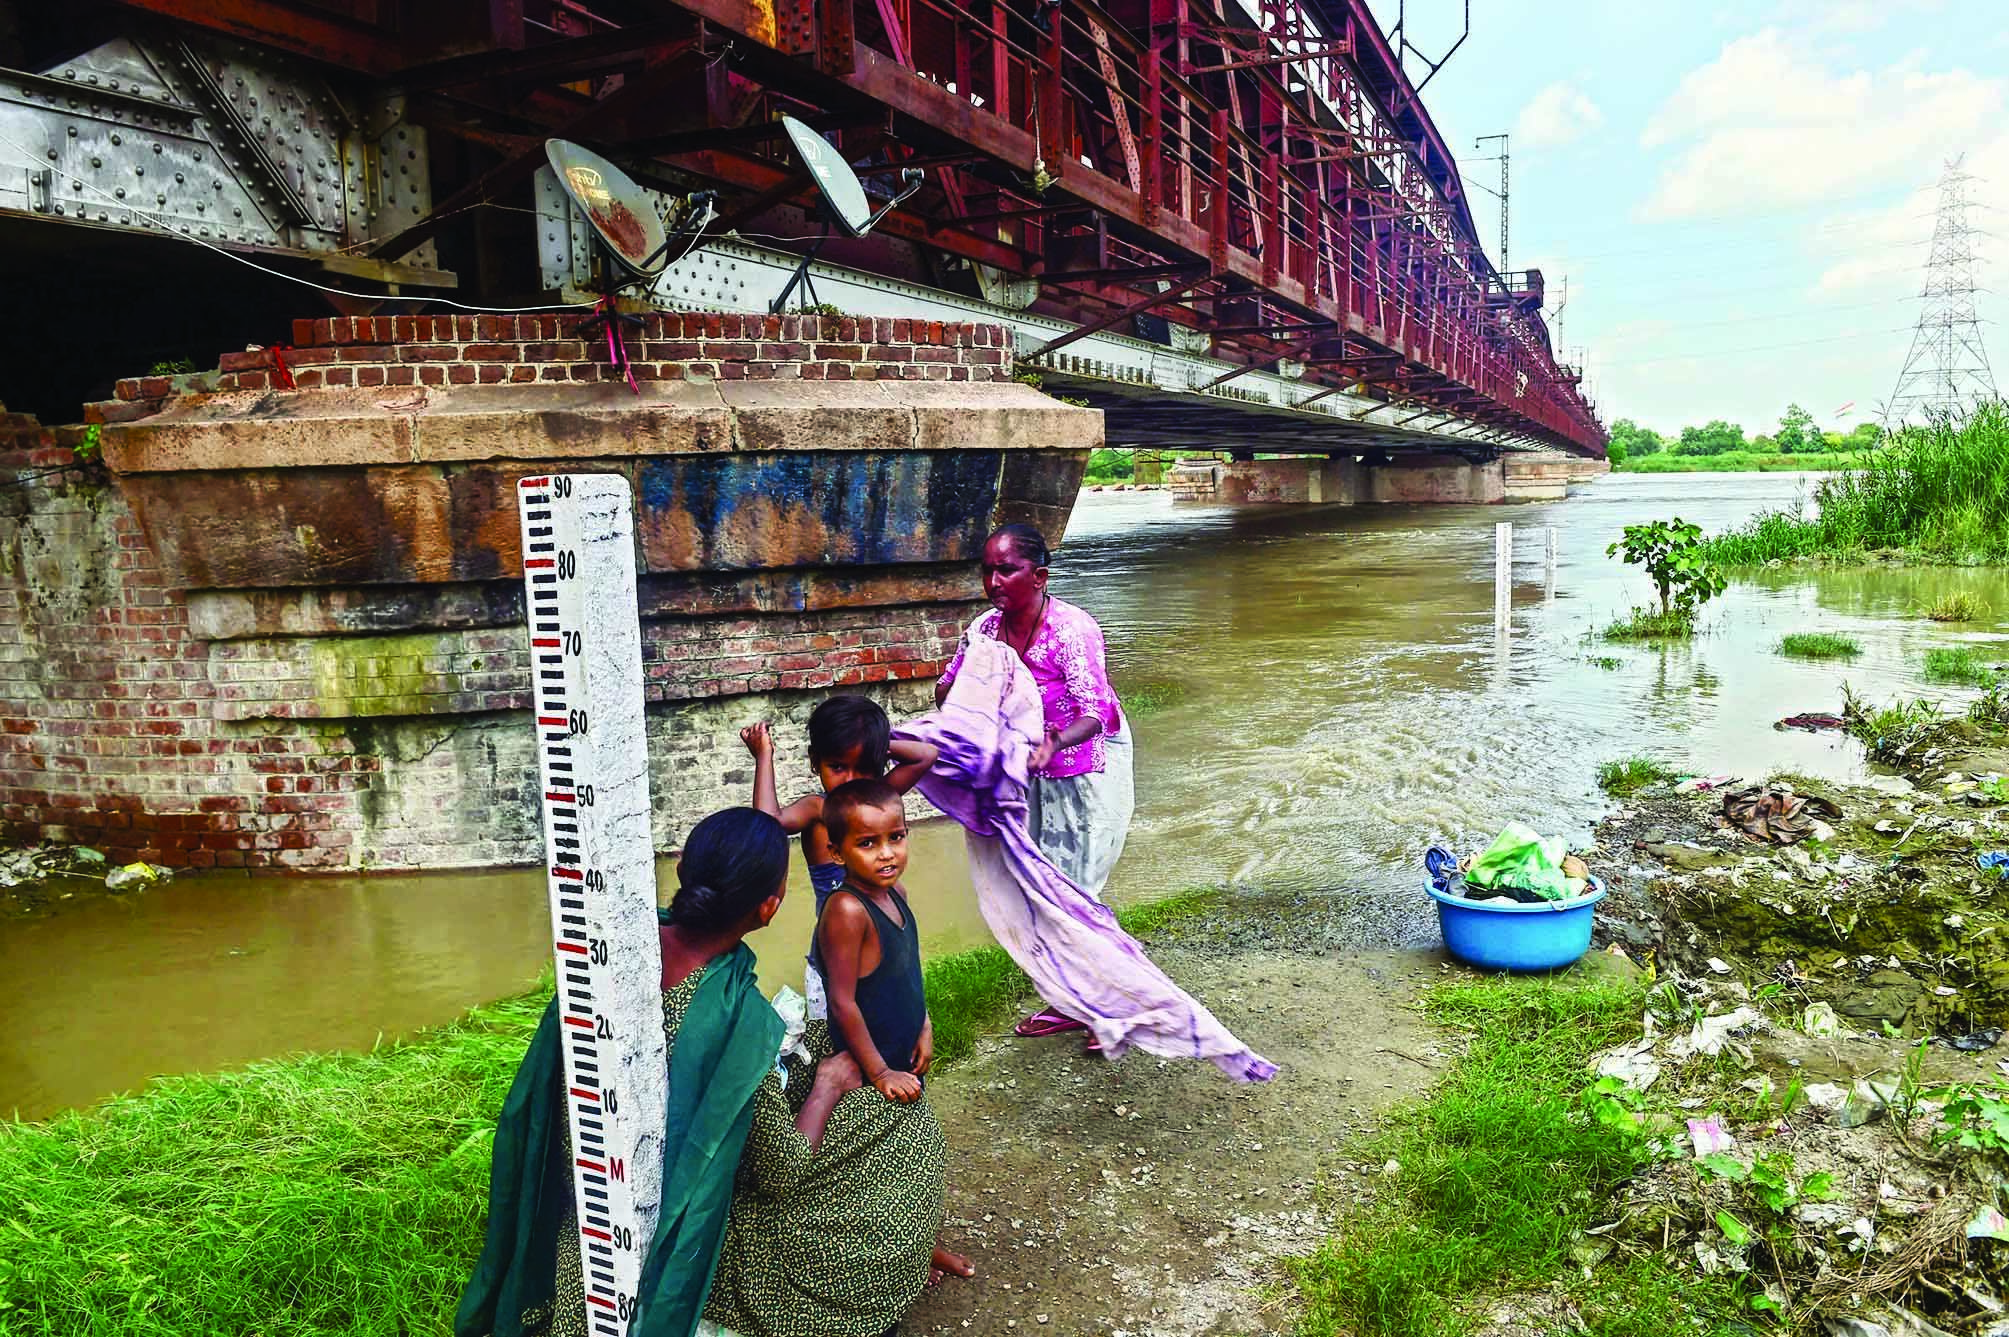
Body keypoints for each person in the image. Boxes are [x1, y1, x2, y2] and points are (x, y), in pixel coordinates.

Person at [455, 807, 960, 1337]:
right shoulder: (733, 1015)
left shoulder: (619, 945)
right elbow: (781, 1173)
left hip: (594, 1170)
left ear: (683, 875)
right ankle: (889, 1266)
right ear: (770, 907)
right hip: (673, 1209)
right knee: (910, 1138)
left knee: (822, 1056)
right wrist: (827, 1088)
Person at [935, 522, 1134, 1041]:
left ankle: (1109, 1004)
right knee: (1040, 880)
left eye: (1007, 569)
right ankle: (1073, 999)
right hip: (1026, 768)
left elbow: (1095, 710)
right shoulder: (984, 630)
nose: (994, 581)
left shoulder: (1072, 630)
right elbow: (950, 687)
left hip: (1083, 763)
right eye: (987, 570)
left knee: (1078, 889)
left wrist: (1054, 743)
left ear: (1039, 575)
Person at [741, 697, 939, 1019]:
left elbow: (925, 756)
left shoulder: (877, 799)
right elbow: (768, 821)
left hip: (885, 949)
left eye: (863, 769)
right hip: (839, 957)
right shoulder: (820, 811)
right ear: (815, 763)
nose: (850, 780)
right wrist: (764, 755)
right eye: (837, 767)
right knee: (842, 1043)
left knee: (893, 1036)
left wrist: (876, 743)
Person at [811, 778, 932, 1104]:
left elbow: (908, 969)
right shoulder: (847, 910)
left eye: (896, 837)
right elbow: (842, 1001)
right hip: (868, 1070)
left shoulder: (897, 893)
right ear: (837, 853)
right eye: (867, 844)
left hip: (903, 1055)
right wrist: (879, 1072)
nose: (887, 854)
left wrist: (924, 1024)